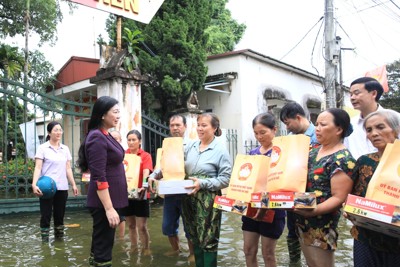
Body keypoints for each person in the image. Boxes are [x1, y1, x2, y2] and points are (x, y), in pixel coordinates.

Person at [293, 108, 356, 267]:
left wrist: (315, 211)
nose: (317, 128)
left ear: (339, 129)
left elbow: (339, 197)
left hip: (323, 223)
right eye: (316, 124)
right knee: (310, 263)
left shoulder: (342, 158)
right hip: (302, 218)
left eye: (323, 124)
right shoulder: (313, 151)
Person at [77, 96, 128, 267]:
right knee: (104, 248)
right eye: (115, 112)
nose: (118, 115)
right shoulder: (97, 137)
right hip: (104, 202)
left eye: (118, 111)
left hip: (110, 199)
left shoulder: (105, 134)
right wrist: (109, 208)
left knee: (100, 243)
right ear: (102, 115)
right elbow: (99, 177)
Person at [349, 110, 400, 266]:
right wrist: (351, 210)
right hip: (366, 237)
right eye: (369, 130)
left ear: (396, 130)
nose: (374, 133)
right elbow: (355, 197)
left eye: (380, 127)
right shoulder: (365, 162)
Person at [182, 112, 232, 267]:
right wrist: (156, 174)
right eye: (198, 125)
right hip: (189, 197)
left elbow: (226, 179)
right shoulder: (191, 145)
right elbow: (174, 162)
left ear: (214, 128)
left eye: (204, 125)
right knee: (194, 236)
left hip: (208, 200)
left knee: (209, 238)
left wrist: (202, 183)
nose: (199, 128)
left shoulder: (220, 150)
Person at [148, 114, 194, 259]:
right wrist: (152, 176)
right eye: (172, 125)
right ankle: (176, 249)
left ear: (185, 127)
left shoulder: (193, 145)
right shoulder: (166, 146)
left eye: (178, 125)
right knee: (167, 226)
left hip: (187, 192)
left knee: (189, 226)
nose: (175, 128)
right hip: (170, 193)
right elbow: (161, 166)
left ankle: (192, 254)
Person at [242, 112, 286, 267]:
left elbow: (282, 183)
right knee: (248, 250)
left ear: (274, 129)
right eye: (255, 133)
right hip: (251, 208)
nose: (259, 137)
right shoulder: (253, 153)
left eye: (263, 132)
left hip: (272, 210)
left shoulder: (281, 153)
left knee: (268, 253)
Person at [279, 102, 319, 266]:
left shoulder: (318, 135)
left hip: (314, 192)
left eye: (288, 123)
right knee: (292, 232)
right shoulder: (289, 139)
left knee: (315, 234)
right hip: (293, 192)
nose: (287, 128)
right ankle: (294, 263)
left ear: (298, 117)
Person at [32, 121, 78, 242]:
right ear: (49, 132)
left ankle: (59, 242)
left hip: (62, 188)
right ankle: (45, 242)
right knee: (45, 216)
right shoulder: (42, 148)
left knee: (59, 217)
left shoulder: (65, 149)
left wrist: (73, 184)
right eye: (55, 130)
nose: (58, 132)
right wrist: (34, 184)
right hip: (46, 188)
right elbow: (38, 167)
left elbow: (68, 168)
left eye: (60, 130)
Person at [120, 130, 153, 254]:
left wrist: (144, 185)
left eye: (134, 140)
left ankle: (146, 248)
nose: (131, 142)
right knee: (131, 225)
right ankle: (134, 247)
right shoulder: (123, 155)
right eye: (129, 140)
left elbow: (146, 171)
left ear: (140, 141)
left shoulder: (145, 156)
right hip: (126, 193)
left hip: (141, 193)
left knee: (142, 226)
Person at [344, 77, 391, 159]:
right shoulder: (350, 124)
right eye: (351, 94)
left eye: (356, 93)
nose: (352, 98)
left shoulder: (394, 120)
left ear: (373, 94)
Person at [109, 130, 126, 240]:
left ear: (120, 140)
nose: (114, 141)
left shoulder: (125, 154)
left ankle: (121, 238)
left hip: (121, 188)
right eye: (112, 138)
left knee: (121, 214)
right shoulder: (104, 152)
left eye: (116, 138)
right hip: (107, 189)